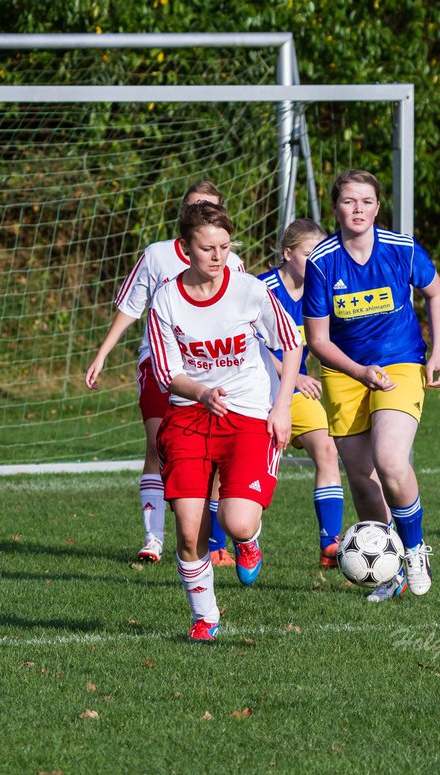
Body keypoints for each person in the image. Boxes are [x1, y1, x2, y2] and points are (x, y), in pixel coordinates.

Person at [148, 201, 302, 641]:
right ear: (185, 249)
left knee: (235, 522)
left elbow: (290, 344)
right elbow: (166, 371)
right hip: (189, 417)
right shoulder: (167, 300)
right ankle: (205, 617)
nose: (217, 257)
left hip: (250, 414)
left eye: (224, 247)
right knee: (189, 528)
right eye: (207, 248)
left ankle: (248, 539)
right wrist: (201, 392)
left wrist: (282, 406)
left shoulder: (249, 290)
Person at [303, 169, 440, 602]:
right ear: (335, 208)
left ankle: (416, 548)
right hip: (344, 372)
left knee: (389, 461)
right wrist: (357, 372)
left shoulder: (401, 249)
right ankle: (388, 573)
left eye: (366, 201)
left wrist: (437, 352)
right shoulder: (321, 261)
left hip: (400, 363)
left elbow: (436, 293)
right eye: (349, 201)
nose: (358, 210)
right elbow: (317, 340)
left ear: (378, 207)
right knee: (364, 481)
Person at [84, 181, 246, 565]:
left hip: (214, 366)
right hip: (161, 365)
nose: (202, 213)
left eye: (210, 207)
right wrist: (102, 353)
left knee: (218, 452)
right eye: (194, 207)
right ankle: (153, 538)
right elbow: (131, 306)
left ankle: (215, 542)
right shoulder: (157, 255)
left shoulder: (232, 263)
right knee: (158, 444)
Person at [258, 218, 346, 568]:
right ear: (287, 252)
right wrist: (292, 377)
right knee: (233, 467)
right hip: (257, 393)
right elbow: (250, 344)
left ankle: (330, 544)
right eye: (310, 254)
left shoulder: (320, 291)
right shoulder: (261, 289)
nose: (317, 261)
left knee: (326, 449)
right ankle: (218, 545)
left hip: (295, 396)